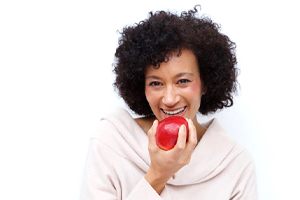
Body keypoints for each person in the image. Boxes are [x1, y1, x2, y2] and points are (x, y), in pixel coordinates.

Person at [80, 6, 258, 200]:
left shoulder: (235, 164)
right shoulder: (112, 141)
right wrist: (157, 176)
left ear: (205, 83)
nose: (170, 99)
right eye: (156, 83)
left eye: (183, 81)